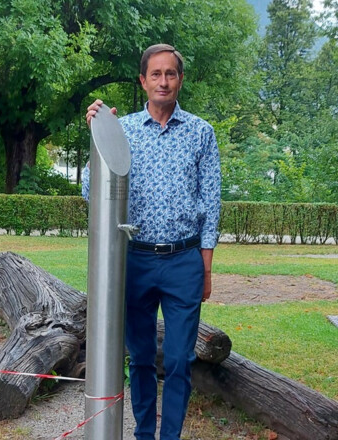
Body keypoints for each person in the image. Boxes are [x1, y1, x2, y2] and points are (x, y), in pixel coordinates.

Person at [83, 43, 221, 440]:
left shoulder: (201, 133)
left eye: (171, 74)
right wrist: (98, 131)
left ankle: (170, 436)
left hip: (184, 261)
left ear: (180, 80)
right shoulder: (121, 128)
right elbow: (92, 191)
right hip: (135, 262)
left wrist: (206, 267)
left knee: (179, 359)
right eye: (156, 74)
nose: (164, 81)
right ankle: (145, 432)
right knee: (141, 357)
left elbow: (211, 203)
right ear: (143, 81)